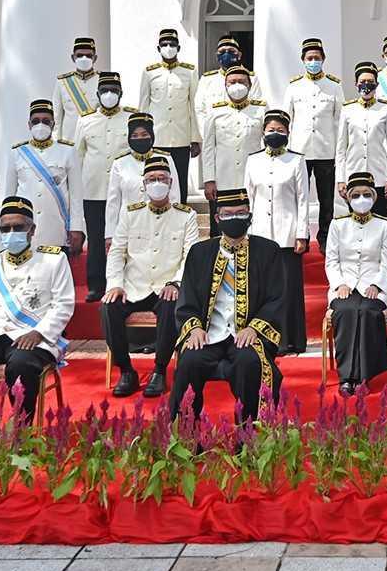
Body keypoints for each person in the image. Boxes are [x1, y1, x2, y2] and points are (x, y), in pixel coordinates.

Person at [0, 195, 74, 448]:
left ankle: (22, 434)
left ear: (32, 230)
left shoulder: (54, 259)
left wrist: (39, 333)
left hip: (34, 337)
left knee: (21, 365)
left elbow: (63, 305)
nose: (11, 233)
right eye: (5, 228)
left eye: (18, 227)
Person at [171, 186, 291, 423]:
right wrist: (194, 328)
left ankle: (249, 436)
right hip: (209, 334)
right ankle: (185, 436)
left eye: (241, 213)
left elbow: (277, 298)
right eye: (228, 214)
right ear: (217, 218)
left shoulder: (268, 251)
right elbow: (187, 299)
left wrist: (254, 328)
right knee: (189, 361)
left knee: (249, 362)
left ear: (250, 216)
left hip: (246, 334)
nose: (235, 218)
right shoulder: (199, 252)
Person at [103, 157, 197, 399]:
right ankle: (126, 370)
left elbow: (191, 255)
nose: (157, 183)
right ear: (144, 185)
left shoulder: (186, 215)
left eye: (162, 179)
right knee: (109, 305)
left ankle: (159, 370)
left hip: (166, 286)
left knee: (171, 306)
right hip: (134, 287)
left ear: (171, 182)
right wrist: (115, 284)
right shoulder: (130, 213)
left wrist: (176, 283)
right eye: (152, 180)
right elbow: (117, 252)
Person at [244, 107, 312, 352]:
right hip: (260, 233)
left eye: (280, 130)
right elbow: (248, 198)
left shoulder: (296, 160)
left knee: (287, 288)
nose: (275, 134)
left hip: (287, 234)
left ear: (288, 133)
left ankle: (289, 339)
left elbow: (303, 199)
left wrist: (301, 234)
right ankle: (263, 335)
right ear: (263, 132)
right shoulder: (253, 160)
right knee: (262, 288)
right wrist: (245, 231)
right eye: (271, 130)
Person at [324, 171, 387, 394]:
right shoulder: (337, 225)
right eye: (356, 195)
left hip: (373, 286)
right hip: (344, 286)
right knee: (346, 311)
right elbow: (332, 260)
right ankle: (347, 377)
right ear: (348, 198)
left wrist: (378, 285)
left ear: (373, 198)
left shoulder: (384, 226)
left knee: (368, 312)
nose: (361, 199)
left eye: (366, 194)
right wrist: (339, 284)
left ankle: (365, 375)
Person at [72, 70, 136, 294]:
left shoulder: (130, 118)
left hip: (123, 189)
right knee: (97, 238)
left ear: (121, 93)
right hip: (94, 189)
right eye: (105, 91)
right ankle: (96, 285)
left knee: (125, 238)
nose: (109, 94)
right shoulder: (85, 120)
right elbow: (77, 156)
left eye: (114, 91)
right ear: (98, 94)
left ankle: (124, 282)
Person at [0, 98, 83, 252]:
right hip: (23, 229)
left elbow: (76, 196)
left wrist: (77, 227)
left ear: (53, 124)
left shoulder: (68, 151)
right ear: (29, 125)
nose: (40, 125)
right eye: (36, 121)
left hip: (56, 227)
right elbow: (8, 195)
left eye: (45, 121)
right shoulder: (17, 153)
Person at [287, 38, 342, 246]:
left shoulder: (334, 86)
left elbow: (340, 120)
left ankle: (325, 236)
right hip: (299, 150)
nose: (313, 61)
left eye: (317, 58)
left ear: (323, 59)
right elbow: (286, 119)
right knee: (299, 196)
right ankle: (301, 233)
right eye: (309, 58)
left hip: (326, 151)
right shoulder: (294, 87)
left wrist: (339, 150)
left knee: (326, 199)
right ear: (303, 60)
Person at [337, 62, 387, 222]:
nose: (366, 85)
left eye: (370, 82)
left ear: (377, 84)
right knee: (354, 220)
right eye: (362, 82)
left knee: (381, 219)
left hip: (379, 174)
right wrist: (340, 179)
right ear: (356, 84)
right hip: (353, 173)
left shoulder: (386, 109)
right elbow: (340, 148)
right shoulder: (347, 109)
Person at [137, 27, 200, 188]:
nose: (168, 48)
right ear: (158, 48)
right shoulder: (149, 72)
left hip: (181, 139)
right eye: (164, 44)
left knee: (180, 182)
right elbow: (143, 107)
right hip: (156, 139)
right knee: (156, 181)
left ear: (178, 48)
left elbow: (194, 107)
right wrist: (142, 138)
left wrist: (195, 139)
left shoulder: (189, 71)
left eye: (172, 44)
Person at [198, 66, 266, 203]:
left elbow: (268, 143)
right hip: (223, 179)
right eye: (232, 82)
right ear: (225, 86)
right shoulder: (215, 111)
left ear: (250, 85)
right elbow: (208, 149)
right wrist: (209, 180)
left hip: (254, 176)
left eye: (241, 82)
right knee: (221, 220)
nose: (237, 86)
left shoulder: (261, 110)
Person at [105, 111, 169, 251]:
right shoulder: (119, 163)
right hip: (128, 227)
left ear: (152, 135)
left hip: (160, 225)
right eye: (134, 135)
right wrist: (110, 235)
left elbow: (174, 195)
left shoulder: (165, 159)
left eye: (144, 134)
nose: (139, 138)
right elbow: (113, 203)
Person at [194, 35, 261, 113]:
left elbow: (256, 106)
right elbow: (199, 108)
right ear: (217, 56)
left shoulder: (251, 78)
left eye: (231, 51)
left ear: (239, 55)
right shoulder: (207, 79)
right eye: (222, 52)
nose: (226, 54)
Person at [54, 36, 104, 134]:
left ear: (95, 58)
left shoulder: (103, 80)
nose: (84, 58)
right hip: (70, 142)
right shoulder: (62, 82)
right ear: (73, 57)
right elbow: (57, 118)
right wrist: (58, 144)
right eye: (79, 55)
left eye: (89, 56)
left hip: (95, 142)